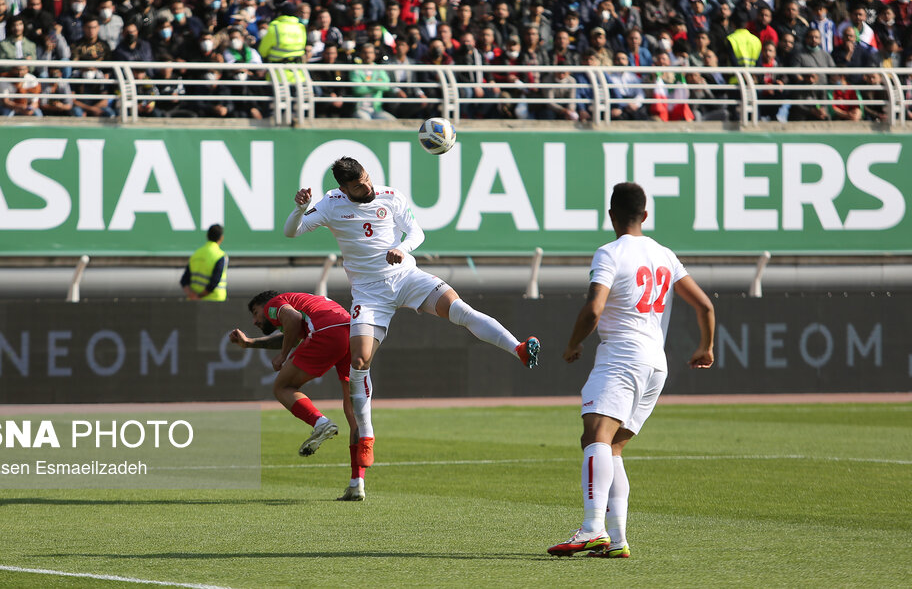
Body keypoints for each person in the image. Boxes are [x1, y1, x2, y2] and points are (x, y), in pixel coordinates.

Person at [284, 157, 541, 468]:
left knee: (459, 309)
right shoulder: (330, 204)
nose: (367, 187)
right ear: (343, 188)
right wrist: (300, 209)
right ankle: (366, 436)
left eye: (367, 179)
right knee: (360, 361)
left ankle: (518, 349)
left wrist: (402, 249)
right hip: (369, 293)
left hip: (406, 277)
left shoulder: (391, 196)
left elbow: (417, 233)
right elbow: (291, 233)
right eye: (358, 186)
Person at [548, 182, 715, 559]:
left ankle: (592, 529)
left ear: (611, 215)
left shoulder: (609, 253)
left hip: (622, 356)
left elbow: (594, 308)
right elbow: (704, 305)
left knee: (595, 436)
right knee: (614, 446)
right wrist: (705, 347)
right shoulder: (664, 254)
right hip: (656, 362)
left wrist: (574, 343)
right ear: (645, 215)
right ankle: (618, 538)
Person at [229, 290, 367, 501]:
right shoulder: (306, 304)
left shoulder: (273, 303)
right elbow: (291, 333)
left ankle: (320, 423)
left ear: (264, 306)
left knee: (282, 387)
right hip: (352, 334)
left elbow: (291, 319)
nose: (255, 320)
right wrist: (250, 343)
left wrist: (283, 356)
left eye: (256, 313)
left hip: (327, 332)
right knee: (354, 411)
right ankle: (357, 483)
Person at [180, 224, 228, 301]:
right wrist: (200, 296)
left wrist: (193, 296)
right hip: (215, 301)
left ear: (207, 236)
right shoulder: (220, 256)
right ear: (221, 238)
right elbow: (214, 282)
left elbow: (184, 281)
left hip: (193, 302)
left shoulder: (196, 254)